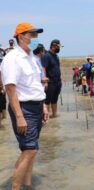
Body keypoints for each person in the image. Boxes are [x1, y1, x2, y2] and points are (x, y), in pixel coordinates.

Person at [0, 22, 49, 190]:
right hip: (23, 109)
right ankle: (15, 187)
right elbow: (10, 88)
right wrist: (20, 116)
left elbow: (35, 85)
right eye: (32, 35)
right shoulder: (12, 58)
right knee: (30, 150)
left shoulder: (33, 58)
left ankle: (27, 186)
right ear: (21, 36)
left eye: (36, 35)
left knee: (31, 149)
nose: (35, 38)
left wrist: (43, 107)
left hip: (37, 107)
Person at [42, 39, 62, 118]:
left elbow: (58, 68)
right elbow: (43, 68)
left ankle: (54, 114)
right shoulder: (46, 56)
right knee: (47, 100)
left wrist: (60, 80)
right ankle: (45, 117)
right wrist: (45, 81)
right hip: (50, 82)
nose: (59, 49)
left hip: (57, 82)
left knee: (55, 99)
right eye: (58, 47)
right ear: (53, 46)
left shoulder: (56, 56)